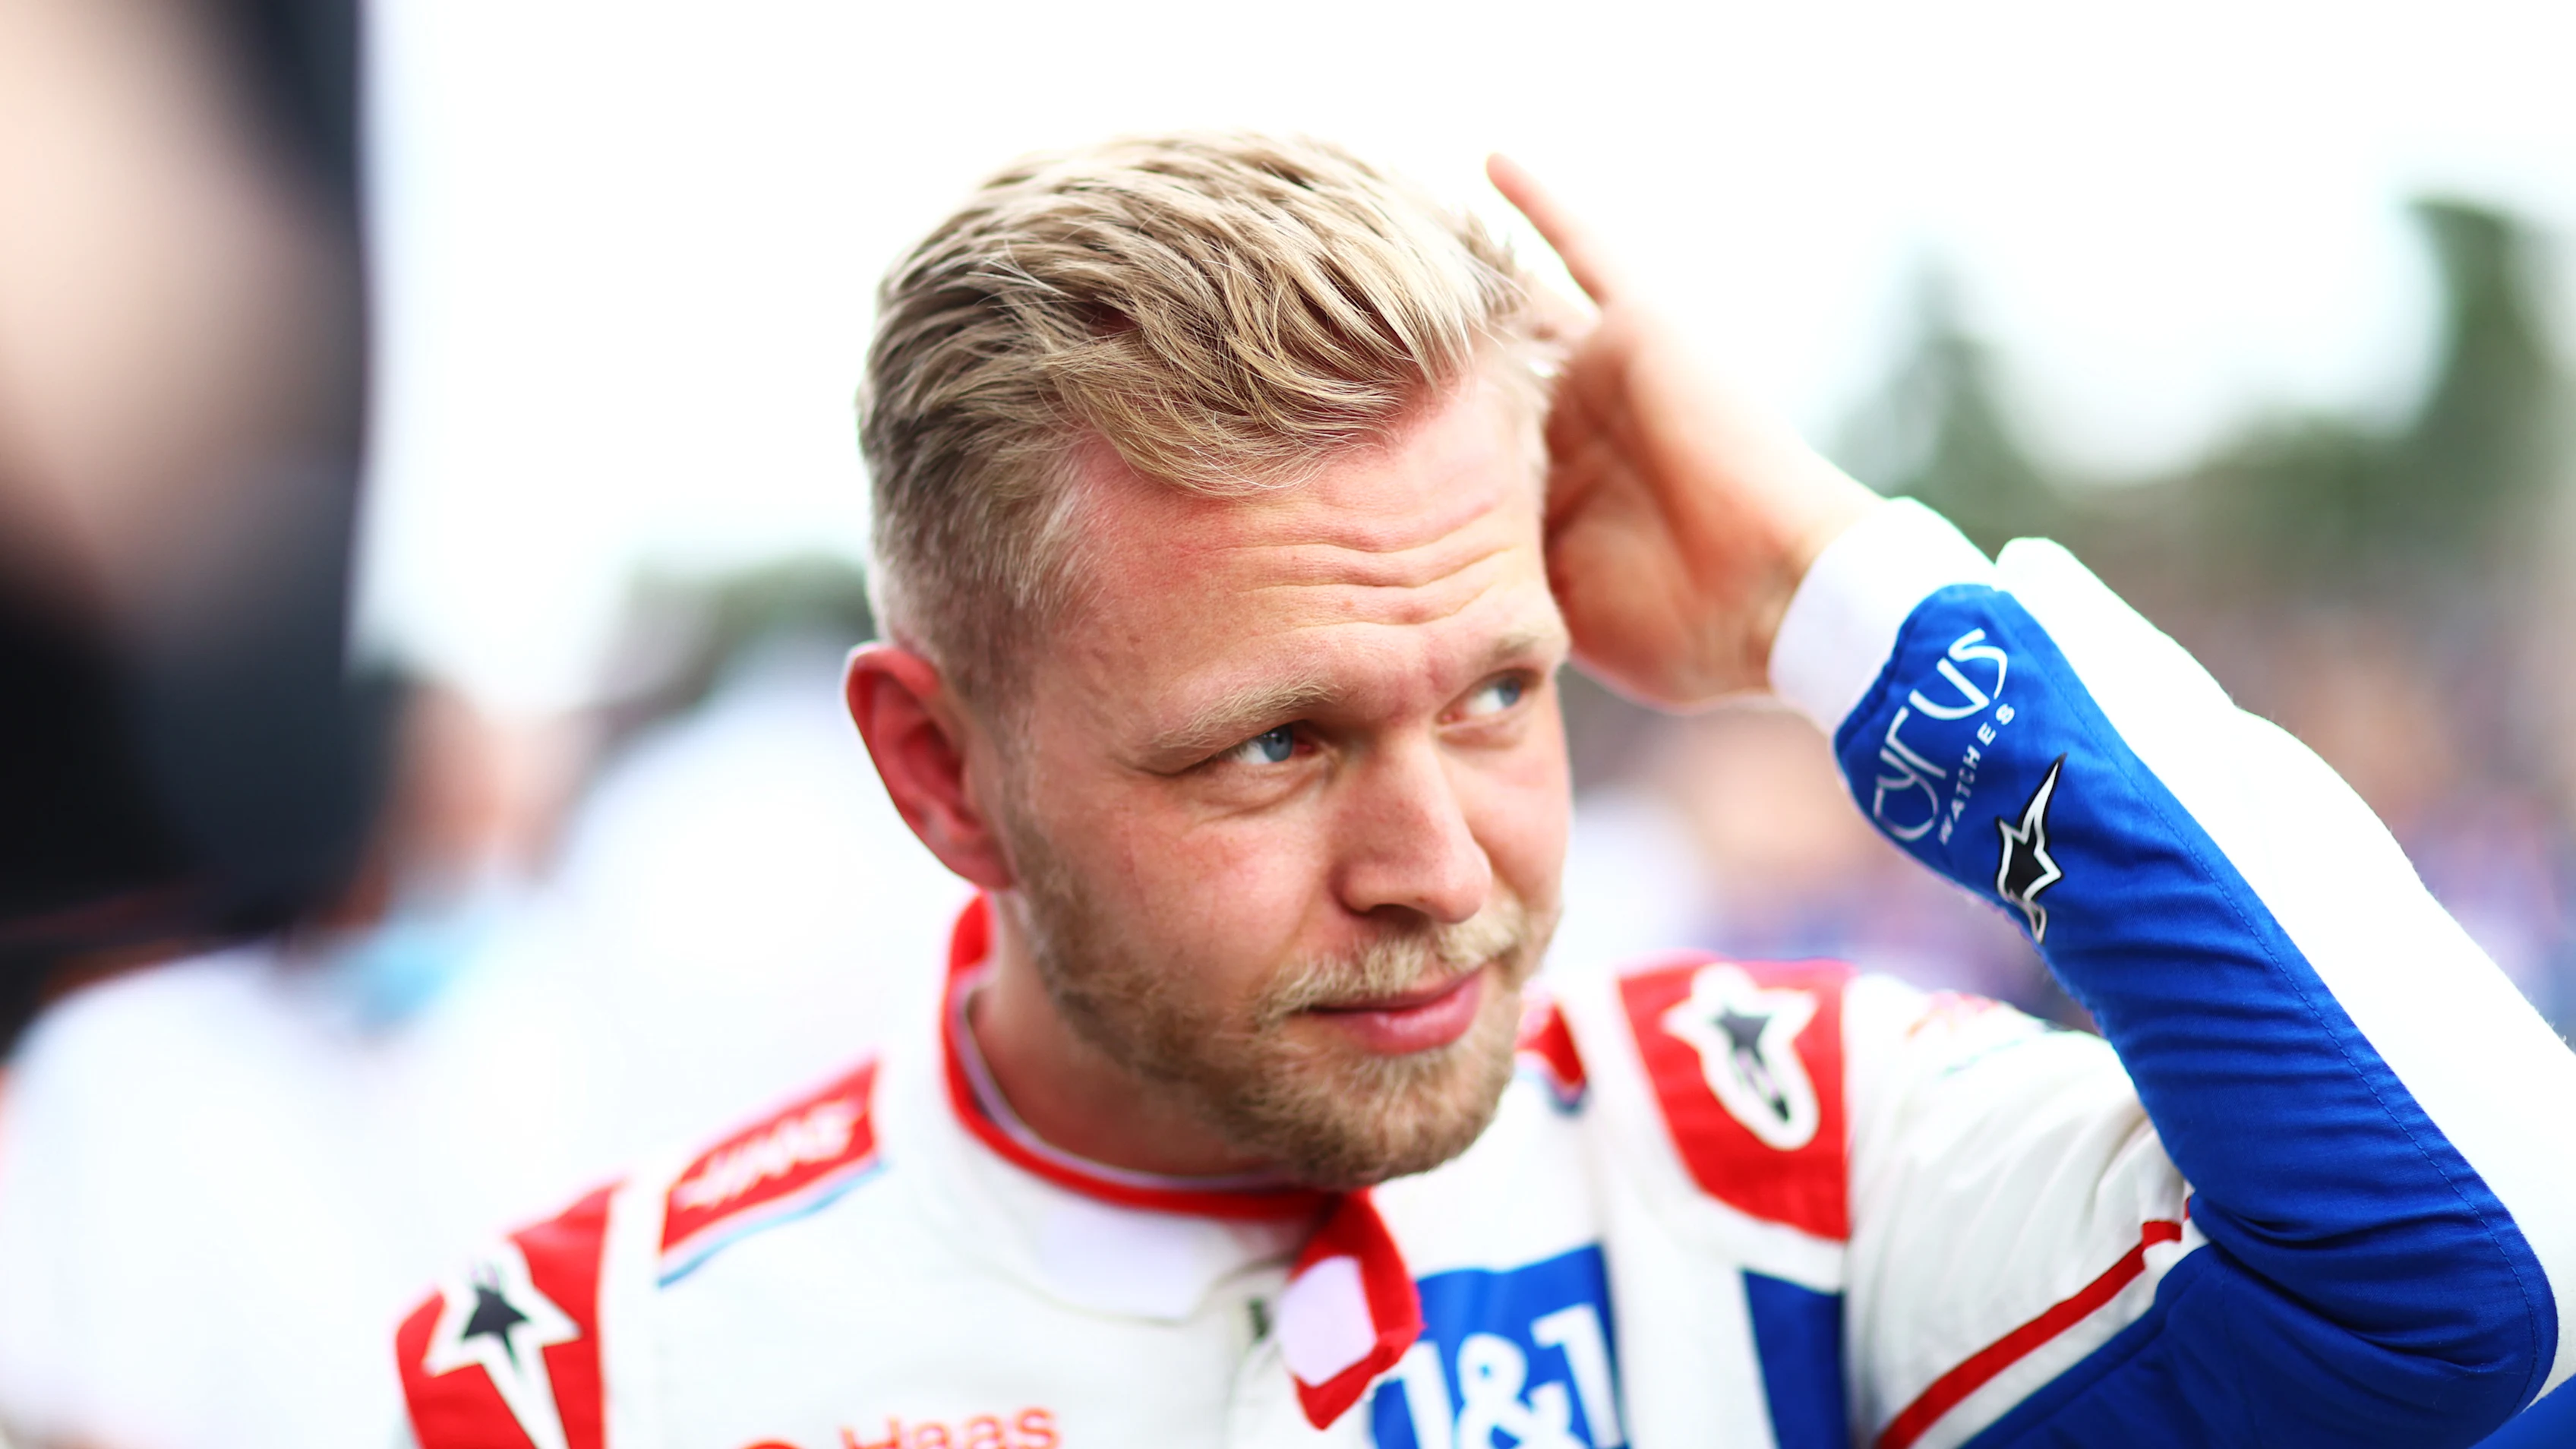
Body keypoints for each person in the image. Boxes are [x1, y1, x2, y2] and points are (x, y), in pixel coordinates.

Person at [393, 134, 2576, 1449]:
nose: (1438, 867)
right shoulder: (581, 1377)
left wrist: (1850, 596)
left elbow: (2487, 1279)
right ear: (938, 769)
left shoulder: (1769, 1171)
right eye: (1281, 740)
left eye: (1503, 693)